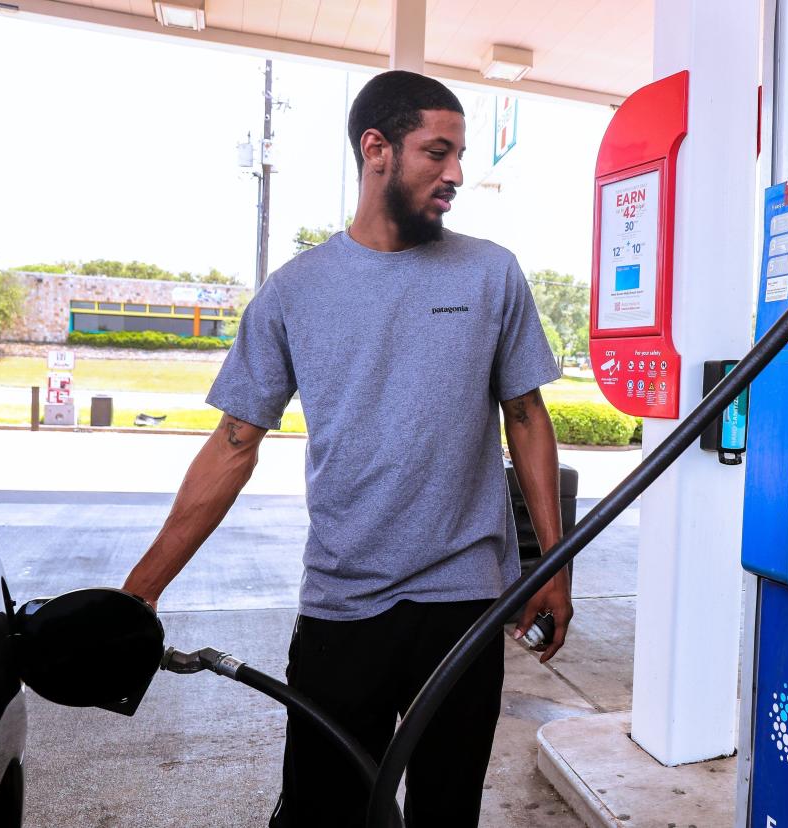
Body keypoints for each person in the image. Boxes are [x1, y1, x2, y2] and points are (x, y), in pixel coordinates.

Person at [122, 70, 572, 828]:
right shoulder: (296, 291)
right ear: (377, 149)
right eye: (438, 152)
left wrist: (553, 566)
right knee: (323, 812)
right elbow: (234, 443)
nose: (456, 174)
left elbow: (525, 415)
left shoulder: (492, 272)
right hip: (341, 605)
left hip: (462, 605)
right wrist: (138, 593)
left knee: (445, 811)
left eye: (459, 154)